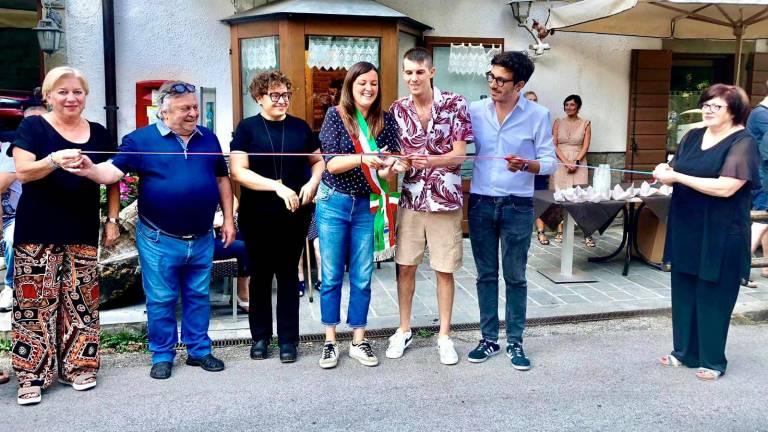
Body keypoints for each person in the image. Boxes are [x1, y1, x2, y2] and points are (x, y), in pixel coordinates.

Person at [75, 80, 235, 380]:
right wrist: (90, 170)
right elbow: (112, 172)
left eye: (195, 107)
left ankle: (199, 351)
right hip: (159, 238)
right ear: (163, 111)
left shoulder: (208, 139)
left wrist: (227, 219)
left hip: (201, 236)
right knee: (161, 297)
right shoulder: (140, 140)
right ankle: (162, 354)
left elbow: (222, 179)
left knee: (198, 294)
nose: (193, 114)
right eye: (185, 108)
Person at [9, 67, 119, 405]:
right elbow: (24, 172)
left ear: (85, 96)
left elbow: (112, 178)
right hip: (37, 229)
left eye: (77, 91)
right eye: (62, 92)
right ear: (48, 96)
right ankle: (32, 375)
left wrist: (112, 219)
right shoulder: (33, 127)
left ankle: (79, 365)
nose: (71, 98)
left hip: (82, 227)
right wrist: (53, 160)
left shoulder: (99, 133)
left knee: (81, 301)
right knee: (33, 304)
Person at [653, 84, 758, 381]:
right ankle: (685, 352)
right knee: (684, 289)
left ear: (734, 111)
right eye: (706, 105)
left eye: (717, 106)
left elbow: (726, 187)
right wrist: (665, 172)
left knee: (713, 292)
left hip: (722, 231)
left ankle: (713, 359)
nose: (708, 111)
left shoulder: (743, 142)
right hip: (687, 225)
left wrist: (677, 176)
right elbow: (675, 171)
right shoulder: (692, 136)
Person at [466, 51, 556, 370]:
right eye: (490, 76)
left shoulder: (538, 114)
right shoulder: (474, 110)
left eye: (501, 80)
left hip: (518, 205)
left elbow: (549, 160)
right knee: (485, 275)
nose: (493, 84)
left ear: (519, 85)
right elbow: (453, 144)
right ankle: (489, 338)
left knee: (515, 276)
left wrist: (528, 164)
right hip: (479, 202)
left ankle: (515, 341)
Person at [230, 70, 323, 363]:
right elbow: (238, 171)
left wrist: (312, 182)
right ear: (259, 98)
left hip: (295, 213)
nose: (282, 100)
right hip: (257, 214)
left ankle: (288, 340)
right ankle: (259, 338)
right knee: (260, 276)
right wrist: (276, 186)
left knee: (287, 275)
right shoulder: (246, 128)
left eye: (286, 95)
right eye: (275, 95)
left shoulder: (301, 128)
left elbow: (318, 161)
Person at [316, 61, 405, 369]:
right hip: (334, 203)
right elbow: (330, 164)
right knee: (330, 276)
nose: (368, 89)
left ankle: (358, 339)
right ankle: (330, 340)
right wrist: (364, 158)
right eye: (362, 83)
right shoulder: (335, 116)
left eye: (373, 84)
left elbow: (394, 162)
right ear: (350, 87)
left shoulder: (387, 119)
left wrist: (395, 166)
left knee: (363, 276)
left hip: (368, 204)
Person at [386, 47, 472, 365]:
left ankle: (445, 336)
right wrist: (396, 164)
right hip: (410, 200)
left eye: (419, 72)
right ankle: (404, 329)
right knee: (405, 266)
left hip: (445, 201)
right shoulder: (396, 109)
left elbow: (460, 154)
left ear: (431, 72)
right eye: (408, 72)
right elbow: (395, 155)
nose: (413, 78)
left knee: (444, 270)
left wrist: (430, 160)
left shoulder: (455, 102)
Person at [0, 106, 46, 313]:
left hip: (26, 214)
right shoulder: (17, 148)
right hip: (11, 216)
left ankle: (10, 286)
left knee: (13, 237)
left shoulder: (10, 150)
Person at [551, 94, 595, 247]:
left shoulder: (586, 123)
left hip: (579, 162)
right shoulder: (558, 122)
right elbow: (554, 144)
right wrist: (566, 162)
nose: (568, 107)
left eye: (572, 105)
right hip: (560, 161)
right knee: (560, 196)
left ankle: (587, 233)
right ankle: (560, 230)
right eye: (566, 104)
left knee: (581, 198)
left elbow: (585, 146)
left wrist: (575, 162)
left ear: (578, 107)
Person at [745, 88, 768, 286]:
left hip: (760, 175)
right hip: (763, 178)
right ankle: (741, 269)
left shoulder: (760, 113)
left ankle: (766, 266)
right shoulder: (762, 115)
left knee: (765, 221)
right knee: (761, 221)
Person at [524, 91, 552, 245]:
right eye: (529, 100)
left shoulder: (541, 118)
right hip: (521, 168)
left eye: (535, 100)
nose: (533, 102)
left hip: (538, 167)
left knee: (539, 199)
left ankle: (541, 232)